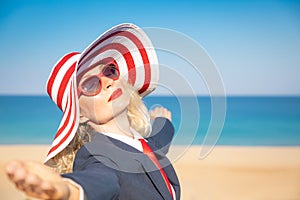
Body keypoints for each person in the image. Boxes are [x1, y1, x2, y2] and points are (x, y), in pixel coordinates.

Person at [5, 23, 180, 200]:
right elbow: (97, 180)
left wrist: (163, 122)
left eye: (109, 70)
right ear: (79, 114)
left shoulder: (141, 142)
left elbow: (158, 142)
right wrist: (67, 189)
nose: (107, 81)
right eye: (90, 84)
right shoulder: (97, 154)